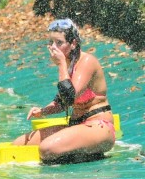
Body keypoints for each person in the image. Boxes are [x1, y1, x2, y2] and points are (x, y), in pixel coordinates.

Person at [12, 18, 115, 163]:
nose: (53, 47)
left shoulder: (87, 62)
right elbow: (62, 103)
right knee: (18, 144)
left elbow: (69, 97)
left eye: (59, 43)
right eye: (51, 43)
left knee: (46, 149)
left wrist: (61, 64)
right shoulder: (69, 65)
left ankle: (87, 155)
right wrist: (42, 111)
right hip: (77, 125)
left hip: (100, 127)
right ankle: (78, 152)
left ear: (73, 44)